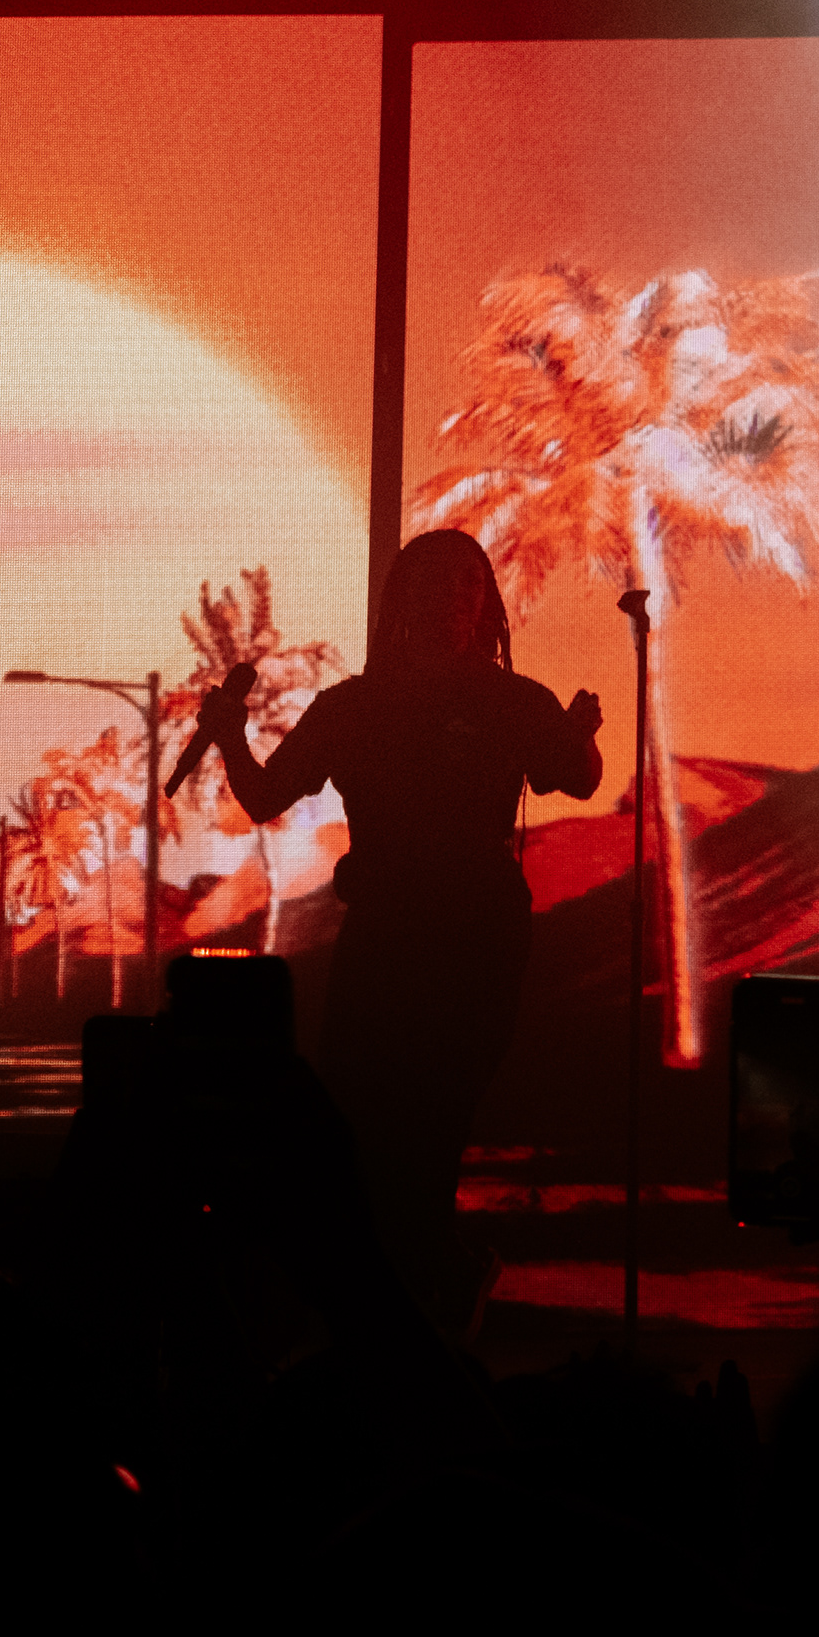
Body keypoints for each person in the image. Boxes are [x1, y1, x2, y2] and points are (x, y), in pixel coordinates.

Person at [195, 527, 603, 1326]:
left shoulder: (511, 701)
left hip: (476, 938)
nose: (451, 598)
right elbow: (267, 796)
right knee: (362, 1117)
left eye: (466, 585)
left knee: (429, 1117)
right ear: (402, 599)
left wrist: (579, 735)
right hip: (386, 934)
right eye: (434, 583)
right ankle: (432, 1286)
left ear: (484, 604)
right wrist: (231, 739)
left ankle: (419, 1295)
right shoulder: (351, 707)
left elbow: (578, 778)